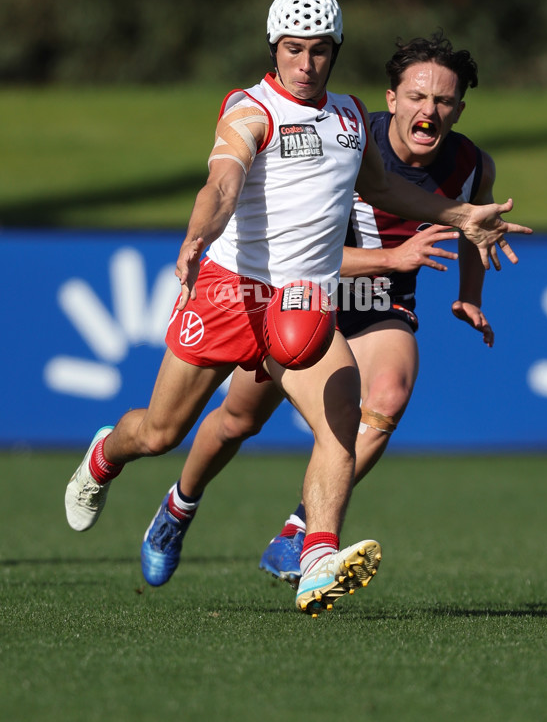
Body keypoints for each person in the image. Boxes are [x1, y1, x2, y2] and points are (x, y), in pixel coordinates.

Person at [65, 0, 530, 616]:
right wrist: (198, 233)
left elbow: (386, 188)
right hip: (231, 292)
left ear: (334, 52)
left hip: (304, 299)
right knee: (160, 432)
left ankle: (314, 557)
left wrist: (460, 215)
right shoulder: (249, 110)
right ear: (274, 49)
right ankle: (104, 456)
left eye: (318, 51)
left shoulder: (347, 118)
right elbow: (222, 181)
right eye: (293, 50)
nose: (305, 64)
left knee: (344, 422)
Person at [138, 31, 502, 591]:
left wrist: (470, 294)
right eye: (417, 97)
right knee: (238, 419)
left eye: (445, 101)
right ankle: (179, 507)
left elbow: (471, 229)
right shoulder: (348, 137)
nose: (429, 110)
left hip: (380, 304)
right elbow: (297, 246)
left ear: (459, 108)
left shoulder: (474, 165)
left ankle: (302, 535)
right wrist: (389, 256)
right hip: (299, 294)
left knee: (387, 398)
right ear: (391, 99)